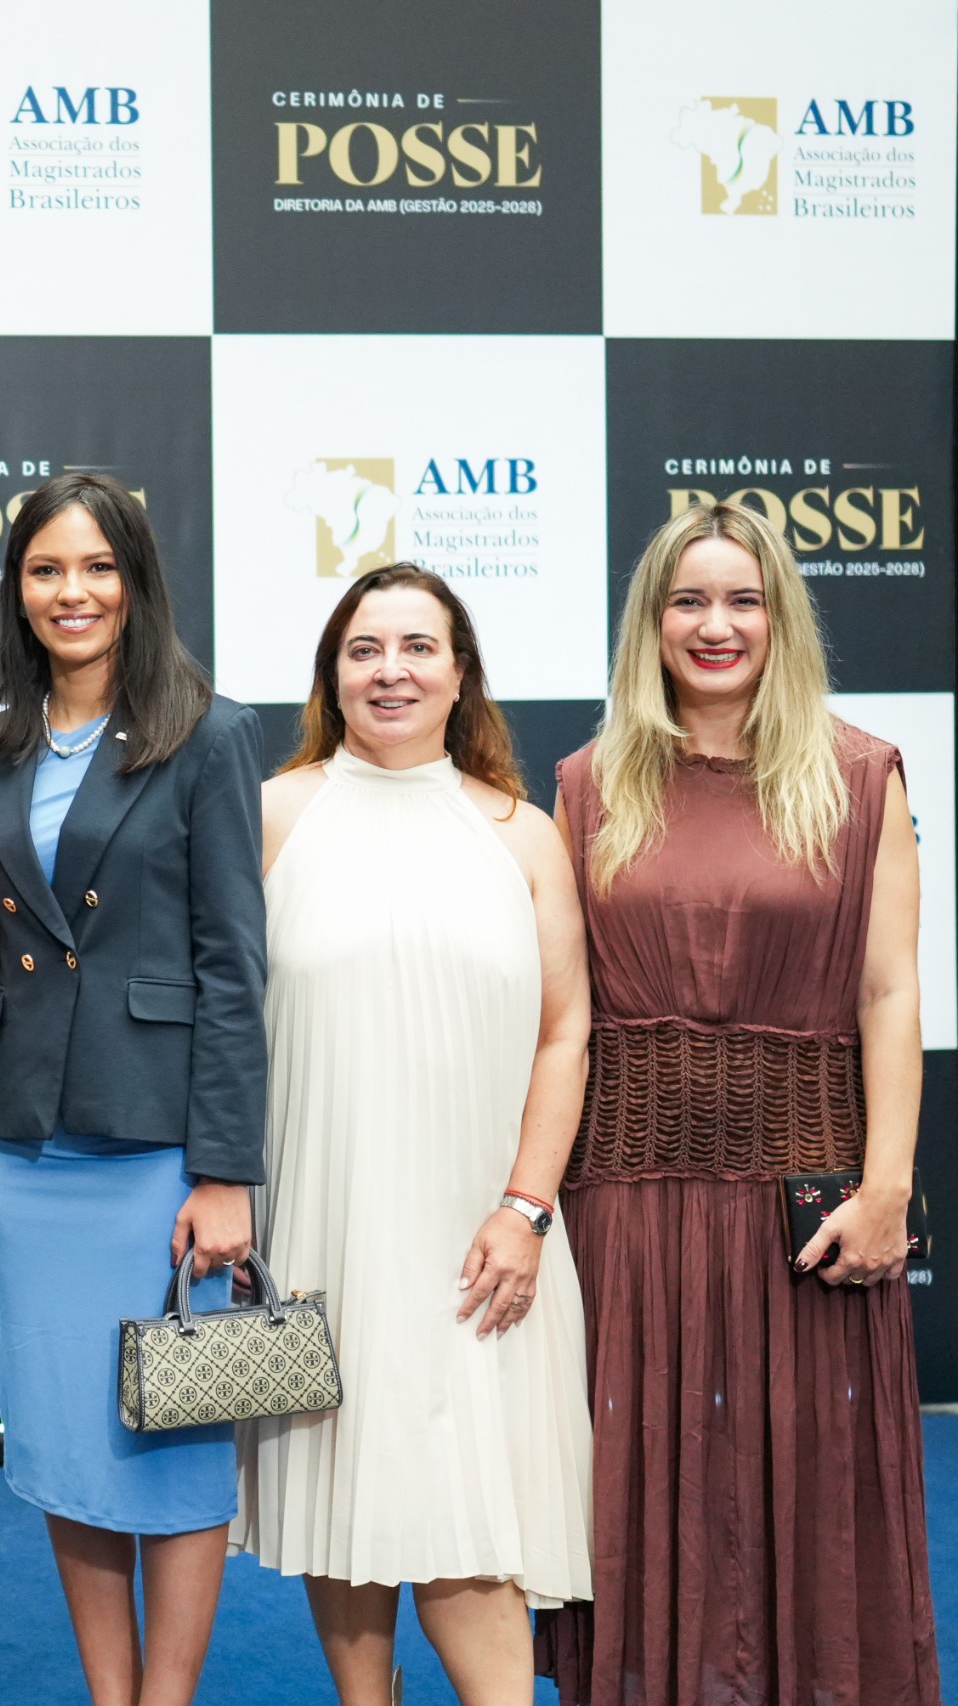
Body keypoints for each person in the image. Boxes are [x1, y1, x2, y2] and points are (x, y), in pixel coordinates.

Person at [538, 504, 938, 1705]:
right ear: (651, 623)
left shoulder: (859, 773)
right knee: (633, 1491)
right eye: (688, 601)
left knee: (813, 1487)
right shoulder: (586, 783)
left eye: (742, 600)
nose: (715, 625)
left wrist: (886, 1189)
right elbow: (556, 1014)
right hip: (625, 1205)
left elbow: (888, 992)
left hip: (805, 1208)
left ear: (780, 620)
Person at [236, 564, 593, 1705]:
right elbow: (221, 1020)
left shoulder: (523, 834)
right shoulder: (270, 815)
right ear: (332, 674)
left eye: (417, 647)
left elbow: (565, 1033)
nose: (390, 671)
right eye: (364, 649)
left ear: (460, 672)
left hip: (479, 1238)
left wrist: (525, 1207)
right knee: (342, 1491)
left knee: (464, 1496)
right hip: (321, 1216)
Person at [0, 472, 267, 1706]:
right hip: (30, 1150)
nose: (70, 592)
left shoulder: (209, 732)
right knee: (66, 1441)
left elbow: (232, 964)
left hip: (157, 1148)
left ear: (135, 582)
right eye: (45, 570)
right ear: (17, 589)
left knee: (173, 1432)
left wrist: (224, 1170)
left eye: (96, 567)